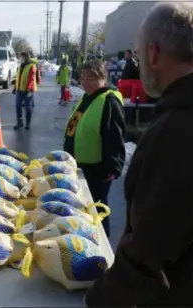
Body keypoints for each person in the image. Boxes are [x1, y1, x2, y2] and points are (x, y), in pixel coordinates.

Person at [86, 2, 193, 307]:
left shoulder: (179, 129)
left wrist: (99, 298)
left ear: (153, 52)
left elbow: (149, 254)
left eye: (139, 55)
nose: (139, 64)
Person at [63, 60, 126, 237]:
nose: (84, 82)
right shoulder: (88, 96)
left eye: (90, 78)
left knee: (96, 209)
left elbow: (115, 135)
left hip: (97, 168)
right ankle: (87, 239)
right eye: (82, 78)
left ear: (103, 78)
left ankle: (101, 245)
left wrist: (113, 166)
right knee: (84, 207)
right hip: (82, 164)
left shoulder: (109, 100)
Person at [12, 51, 37, 130]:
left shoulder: (31, 66)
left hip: (28, 91)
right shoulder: (20, 66)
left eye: (22, 57)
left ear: (26, 57)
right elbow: (18, 78)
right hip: (19, 90)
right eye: (20, 57)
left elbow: (31, 79)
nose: (21, 58)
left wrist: (29, 89)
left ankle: (28, 123)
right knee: (18, 106)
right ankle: (20, 122)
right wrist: (15, 88)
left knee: (28, 107)